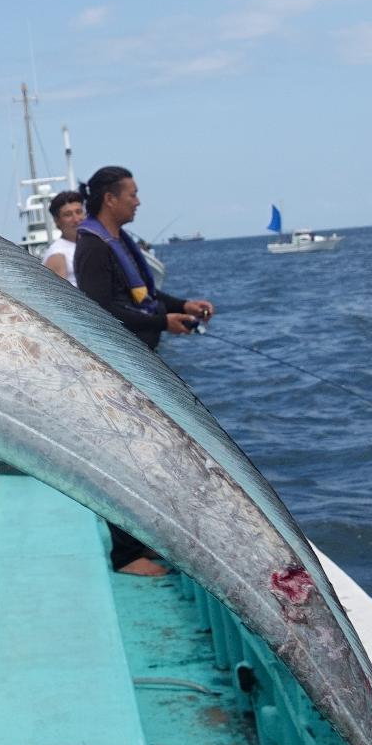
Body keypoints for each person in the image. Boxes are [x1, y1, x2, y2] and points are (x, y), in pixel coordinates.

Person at [72, 165, 215, 577]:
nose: (139, 201)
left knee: (150, 456)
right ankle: (125, 555)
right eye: (132, 194)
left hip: (142, 363)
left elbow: (145, 296)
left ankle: (143, 542)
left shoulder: (121, 239)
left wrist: (181, 305)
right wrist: (161, 322)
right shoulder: (93, 245)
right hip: (120, 367)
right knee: (127, 457)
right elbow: (100, 307)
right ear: (110, 199)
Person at [43, 188, 86, 286]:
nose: (76, 219)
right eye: (68, 215)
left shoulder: (93, 243)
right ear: (57, 221)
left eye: (79, 212)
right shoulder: (57, 254)